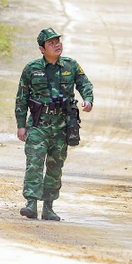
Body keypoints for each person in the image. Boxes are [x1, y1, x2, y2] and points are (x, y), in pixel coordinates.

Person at [14, 28, 93, 221]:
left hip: (62, 125)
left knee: (55, 166)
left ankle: (48, 207)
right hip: (39, 125)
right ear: (42, 49)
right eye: (51, 43)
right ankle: (31, 203)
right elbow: (22, 98)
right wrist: (21, 125)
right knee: (34, 163)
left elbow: (84, 83)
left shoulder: (71, 65)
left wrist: (88, 99)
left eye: (58, 41)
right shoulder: (32, 69)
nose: (57, 45)